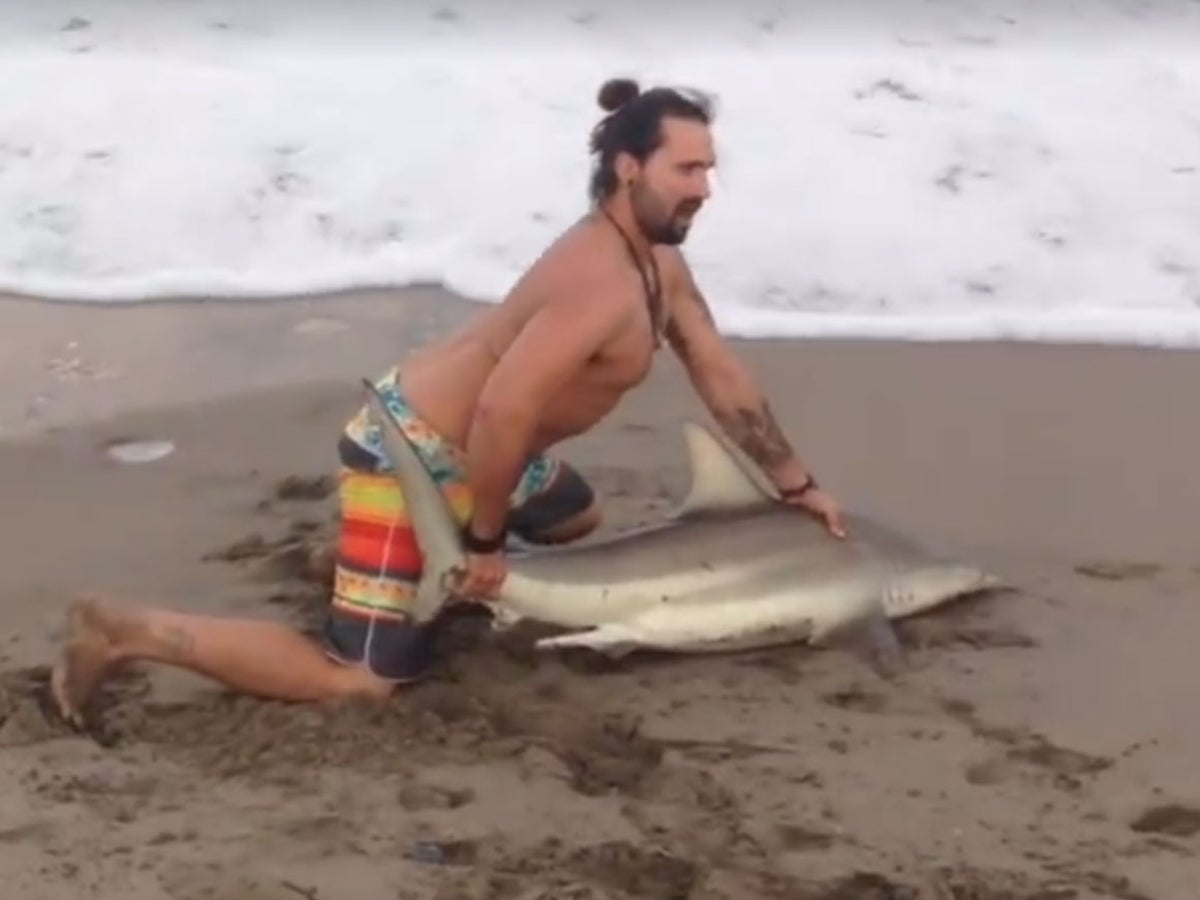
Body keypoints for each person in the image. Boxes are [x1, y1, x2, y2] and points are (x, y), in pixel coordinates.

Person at [50, 76, 847, 727]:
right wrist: (487, 543)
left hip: (486, 449)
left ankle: (363, 567)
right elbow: (502, 412)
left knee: (576, 518)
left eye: (709, 169)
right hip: (413, 453)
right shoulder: (594, 279)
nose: (706, 188)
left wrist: (796, 484)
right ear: (630, 169)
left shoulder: (656, 262)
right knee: (361, 683)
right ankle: (126, 630)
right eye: (688, 170)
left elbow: (720, 375)